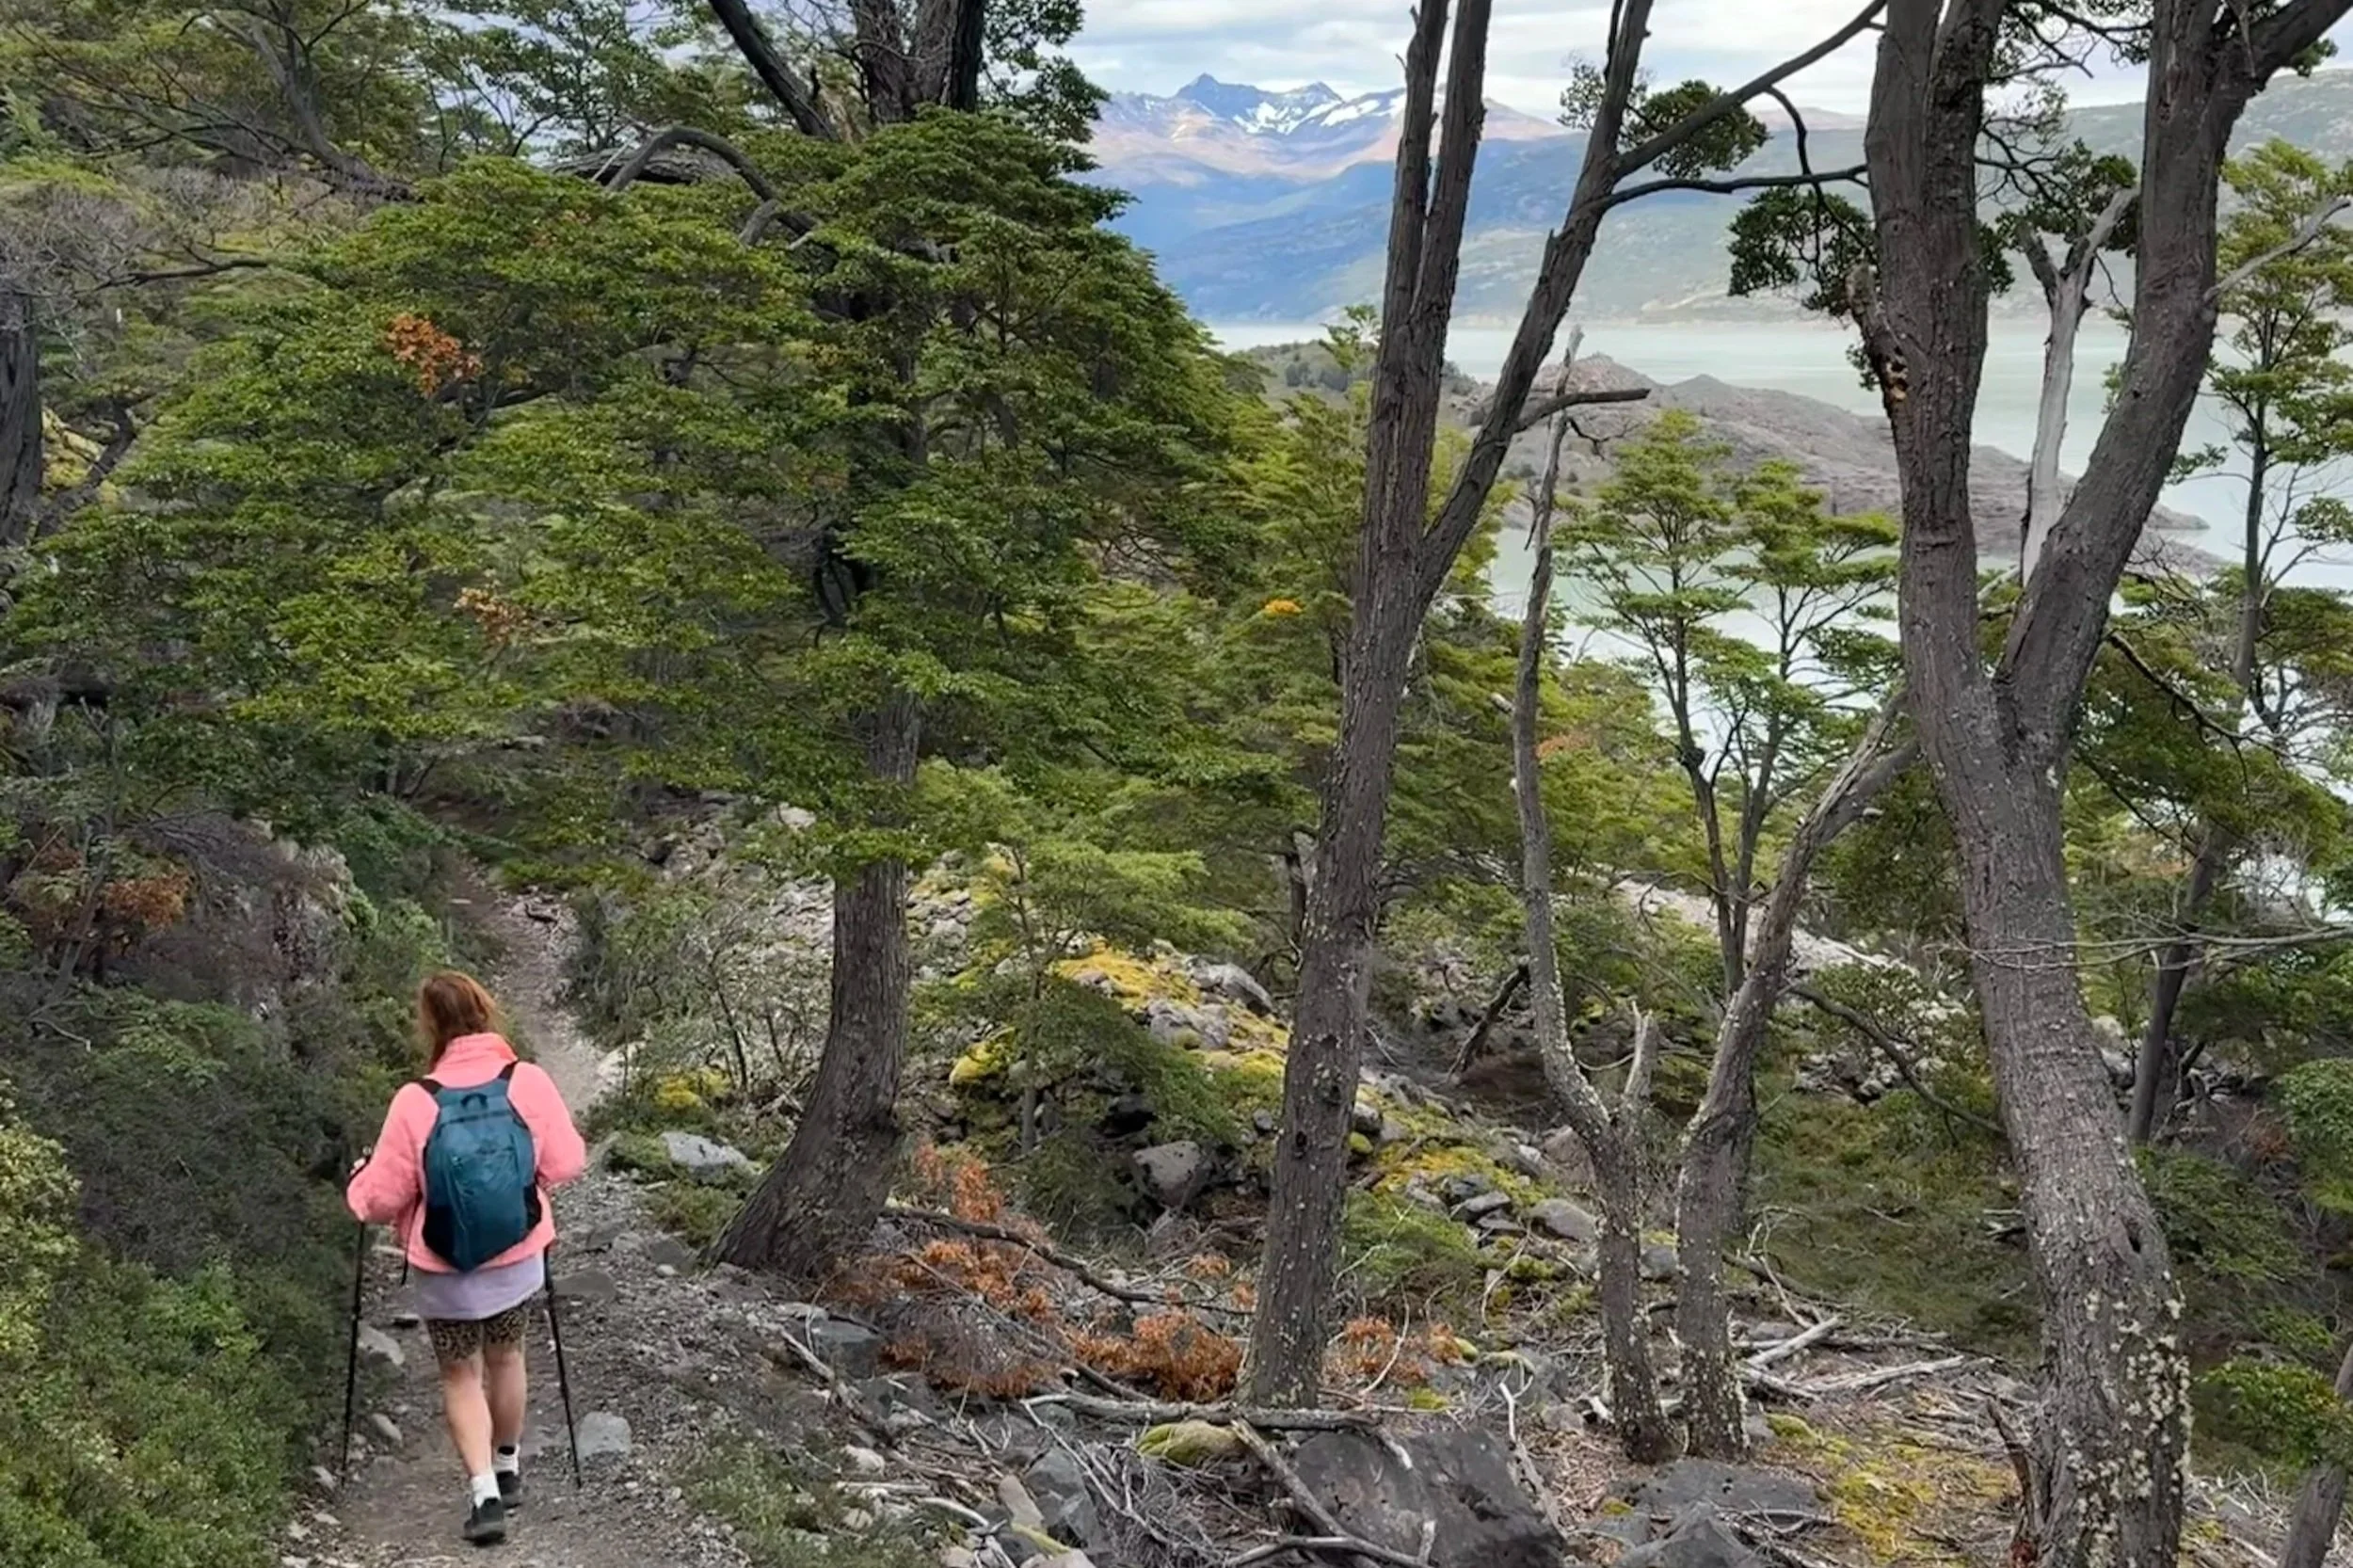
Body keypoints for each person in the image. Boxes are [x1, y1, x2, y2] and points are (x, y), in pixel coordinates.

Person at [347, 970, 586, 1545]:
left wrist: (359, 1180)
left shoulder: (415, 1100)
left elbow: (379, 1200)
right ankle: (508, 1466)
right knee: (508, 1356)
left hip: (446, 1268)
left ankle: (483, 1496)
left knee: (460, 1373)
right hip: (516, 1255)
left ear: (429, 1023)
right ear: (484, 1009)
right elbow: (567, 1163)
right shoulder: (527, 1081)